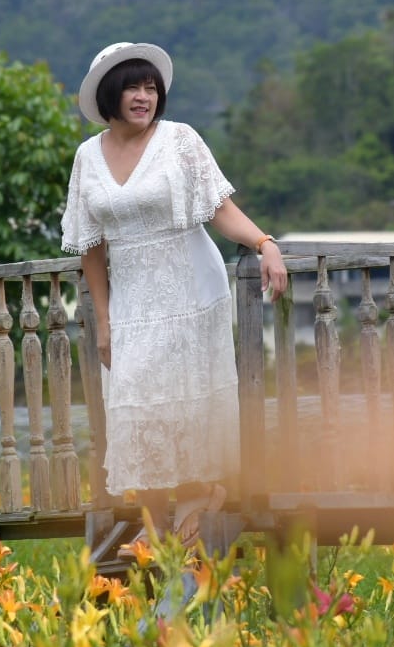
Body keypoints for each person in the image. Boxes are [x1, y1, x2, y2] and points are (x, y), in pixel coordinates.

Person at [61, 41, 288, 549]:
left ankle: (193, 506)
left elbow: (218, 207)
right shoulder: (86, 157)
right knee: (137, 397)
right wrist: (104, 317)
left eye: (151, 88)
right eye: (132, 88)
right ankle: (163, 515)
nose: (143, 97)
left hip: (189, 284)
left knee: (187, 395)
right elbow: (89, 245)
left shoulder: (180, 140)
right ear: (109, 96)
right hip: (134, 295)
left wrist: (263, 242)